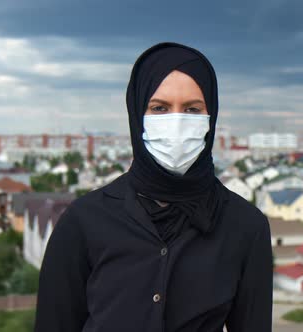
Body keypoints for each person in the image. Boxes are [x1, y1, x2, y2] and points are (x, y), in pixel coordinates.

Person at [34, 42, 272, 332]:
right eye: (159, 108)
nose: (176, 122)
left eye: (192, 109)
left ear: (211, 118)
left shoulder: (245, 226)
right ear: (137, 114)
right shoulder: (83, 221)